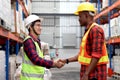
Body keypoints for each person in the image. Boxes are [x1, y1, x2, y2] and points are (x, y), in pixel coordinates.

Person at [59, 2, 109, 80]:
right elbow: (82, 56)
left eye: (80, 16)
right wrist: (66, 61)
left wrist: (86, 74)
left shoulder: (95, 30)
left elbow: (96, 55)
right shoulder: (88, 30)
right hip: (90, 74)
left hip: (95, 75)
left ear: (86, 15)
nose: (79, 19)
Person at [20, 15, 64, 80]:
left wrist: (54, 62)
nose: (40, 28)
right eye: (38, 25)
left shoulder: (36, 41)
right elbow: (36, 59)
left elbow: (40, 59)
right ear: (31, 27)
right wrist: (53, 64)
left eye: (40, 25)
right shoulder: (28, 41)